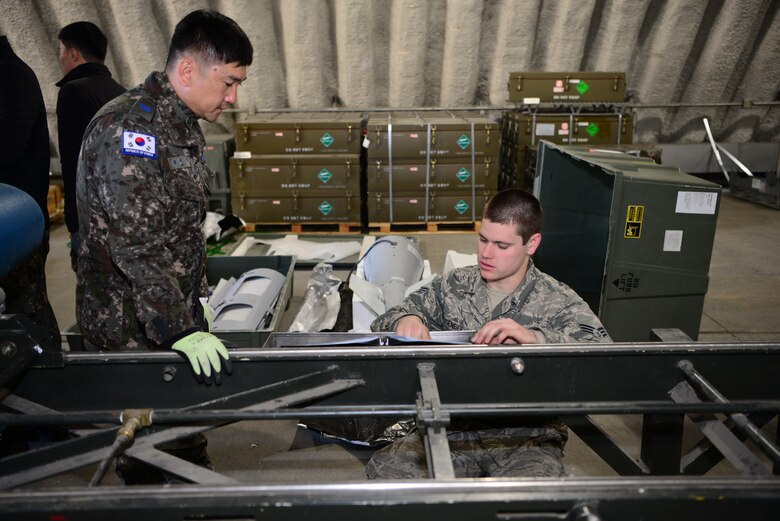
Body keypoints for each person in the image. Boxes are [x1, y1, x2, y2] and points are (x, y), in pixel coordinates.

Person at [367, 189, 611, 479]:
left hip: (526, 438)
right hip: (453, 426)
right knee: (387, 475)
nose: (486, 253)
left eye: (501, 245)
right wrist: (406, 320)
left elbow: (604, 359)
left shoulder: (558, 300)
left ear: (531, 244)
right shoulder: (455, 285)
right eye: (482, 239)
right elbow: (388, 318)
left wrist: (536, 339)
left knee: (533, 498)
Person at [0, 34, 61, 349]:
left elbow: (8, 149)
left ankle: (49, 377)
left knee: (27, 310)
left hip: (19, 220)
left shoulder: (12, 75)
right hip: (10, 218)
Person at [56, 21, 126, 272]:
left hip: (91, 220)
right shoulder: (120, 91)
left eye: (61, 51)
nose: (60, 58)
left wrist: (74, 224)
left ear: (74, 53)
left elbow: (72, 161)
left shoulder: (74, 92)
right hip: (122, 213)